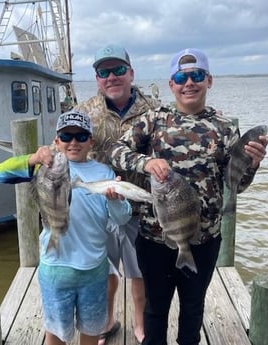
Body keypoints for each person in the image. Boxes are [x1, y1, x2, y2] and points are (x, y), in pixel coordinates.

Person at [109, 48, 268, 345]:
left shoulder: (225, 128)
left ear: (209, 81)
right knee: (155, 310)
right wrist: (145, 162)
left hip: (204, 240)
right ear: (171, 84)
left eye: (196, 75)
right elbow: (116, 150)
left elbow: (237, 185)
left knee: (193, 311)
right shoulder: (154, 119)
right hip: (154, 237)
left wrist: (252, 165)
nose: (189, 83)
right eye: (181, 77)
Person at [0, 110, 132, 345]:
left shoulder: (105, 172)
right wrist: (32, 159)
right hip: (56, 270)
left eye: (81, 136)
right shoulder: (44, 167)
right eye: (66, 137)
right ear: (56, 141)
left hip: (94, 269)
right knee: (55, 333)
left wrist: (114, 200)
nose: (73, 142)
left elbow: (122, 219)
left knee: (92, 329)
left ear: (91, 141)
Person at [75, 44, 160, 344]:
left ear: (131, 73)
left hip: (140, 208)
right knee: (104, 270)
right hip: (98, 209)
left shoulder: (154, 110)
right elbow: (65, 149)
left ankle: (140, 323)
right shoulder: (84, 112)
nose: (112, 77)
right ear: (97, 78)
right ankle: (106, 320)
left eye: (118, 70)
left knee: (139, 272)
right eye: (104, 72)